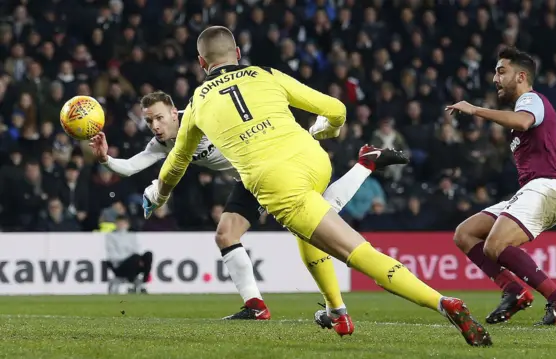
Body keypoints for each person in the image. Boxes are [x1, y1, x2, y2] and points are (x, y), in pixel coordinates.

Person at [143, 26, 491, 347]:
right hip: (313, 159)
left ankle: (443, 303)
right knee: (309, 229)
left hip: (277, 182)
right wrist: (327, 130)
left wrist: (159, 195)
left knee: (357, 253)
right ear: (237, 50)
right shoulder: (266, 74)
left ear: (202, 62)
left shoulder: (197, 104)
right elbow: (335, 108)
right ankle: (336, 312)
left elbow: (175, 164)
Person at [90, 91, 408, 331]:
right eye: (148, 121)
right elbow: (131, 166)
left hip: (279, 161)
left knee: (319, 215)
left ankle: (366, 161)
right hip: (250, 179)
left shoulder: (204, 117)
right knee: (226, 234)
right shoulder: (163, 144)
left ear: (175, 112)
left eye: (159, 118)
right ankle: (255, 306)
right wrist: (106, 159)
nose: (155, 126)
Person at [446, 47, 556, 326]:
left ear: (521, 76)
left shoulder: (532, 99)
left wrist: (475, 109)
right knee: (465, 233)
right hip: (533, 189)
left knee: (495, 245)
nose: (495, 78)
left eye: (501, 71)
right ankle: (513, 290)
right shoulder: (526, 105)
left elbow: (522, 120)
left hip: (548, 187)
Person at [105, 215, 153, 293]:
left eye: (123, 223)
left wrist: (136, 259)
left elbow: (136, 250)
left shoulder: (132, 236)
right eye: (119, 223)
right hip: (120, 266)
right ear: (116, 224)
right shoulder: (110, 236)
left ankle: (144, 282)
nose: (121, 225)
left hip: (134, 262)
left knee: (148, 254)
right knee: (135, 258)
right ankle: (131, 283)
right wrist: (130, 258)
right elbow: (112, 255)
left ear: (127, 224)